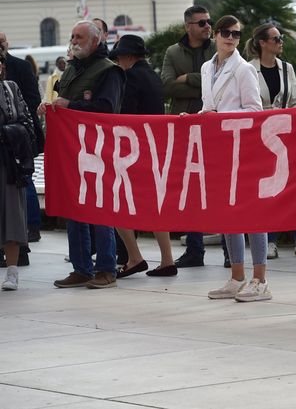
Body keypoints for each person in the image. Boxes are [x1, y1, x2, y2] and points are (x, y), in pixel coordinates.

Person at [44, 21, 126, 289]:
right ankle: (82, 268)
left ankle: (106, 268)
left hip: (99, 149)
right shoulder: (71, 70)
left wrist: (73, 105)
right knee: (74, 207)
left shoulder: (109, 71)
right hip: (71, 150)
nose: (74, 40)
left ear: (95, 41)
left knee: (100, 208)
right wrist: (50, 108)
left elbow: (107, 108)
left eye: (79, 36)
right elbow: (62, 99)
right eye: (72, 35)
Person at [200, 16, 270, 303]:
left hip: (244, 147)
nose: (231, 38)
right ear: (215, 35)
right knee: (227, 212)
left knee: (253, 213)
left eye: (237, 34)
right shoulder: (207, 68)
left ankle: (260, 279)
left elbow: (255, 110)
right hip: (218, 147)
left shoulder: (244, 69)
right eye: (226, 33)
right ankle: (237, 276)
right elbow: (208, 105)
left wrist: (220, 118)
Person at [245, 22, 296, 259]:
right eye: (276, 38)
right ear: (262, 43)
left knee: (293, 186)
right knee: (269, 188)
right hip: (260, 135)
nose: (281, 42)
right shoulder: (249, 69)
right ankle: (270, 240)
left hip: (286, 133)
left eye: (280, 38)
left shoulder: (286, 68)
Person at [108, 36, 178, 279]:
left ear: (127, 56)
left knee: (116, 202)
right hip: (154, 147)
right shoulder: (152, 76)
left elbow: (124, 112)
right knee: (155, 205)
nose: (118, 62)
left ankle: (134, 257)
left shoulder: (131, 76)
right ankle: (167, 260)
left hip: (135, 149)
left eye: (118, 57)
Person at [163, 5, 216, 269]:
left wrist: (191, 79)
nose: (208, 26)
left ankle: (231, 253)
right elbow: (167, 86)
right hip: (186, 127)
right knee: (192, 189)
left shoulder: (218, 48)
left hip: (215, 125)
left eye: (209, 22)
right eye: (202, 23)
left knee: (219, 187)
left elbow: (220, 85)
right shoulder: (173, 52)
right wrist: (204, 82)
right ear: (188, 26)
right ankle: (195, 251)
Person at [0, 31, 44, 246]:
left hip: (19, 137)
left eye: (2, 41)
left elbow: (33, 100)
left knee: (25, 181)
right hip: (11, 138)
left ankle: (32, 226)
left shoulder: (21, 67)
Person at [0, 49, 36, 291]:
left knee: (12, 213)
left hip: (8, 160)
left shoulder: (11, 88)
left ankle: (12, 271)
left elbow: (27, 121)